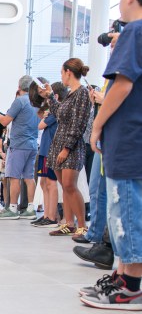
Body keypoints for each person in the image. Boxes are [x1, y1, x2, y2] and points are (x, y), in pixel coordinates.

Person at [81, 0, 142, 310]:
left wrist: (98, 124)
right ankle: (123, 274)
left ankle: (131, 285)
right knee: (129, 208)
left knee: (126, 209)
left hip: (128, 138)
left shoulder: (134, 31)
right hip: (135, 137)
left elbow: (122, 84)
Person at [39, 59, 92, 238]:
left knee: (70, 185)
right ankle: (69, 224)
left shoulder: (82, 93)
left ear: (69, 72)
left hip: (71, 146)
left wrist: (67, 148)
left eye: (62, 72)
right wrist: (49, 96)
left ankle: (82, 226)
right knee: (65, 187)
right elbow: (60, 113)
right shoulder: (71, 94)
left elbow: (79, 123)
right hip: (58, 144)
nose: (61, 76)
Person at [0, 76, 40, 220]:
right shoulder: (36, 102)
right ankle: (30, 209)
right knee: (29, 177)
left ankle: (13, 208)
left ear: (19, 87)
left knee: (14, 177)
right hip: (32, 144)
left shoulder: (19, 101)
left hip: (19, 145)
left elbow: (4, 121)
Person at [31, 82, 68, 228]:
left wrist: (46, 115)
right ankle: (46, 214)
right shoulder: (52, 111)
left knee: (51, 183)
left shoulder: (57, 111)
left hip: (51, 151)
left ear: (55, 96)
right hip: (45, 150)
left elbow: (40, 125)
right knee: (43, 183)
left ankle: (52, 217)